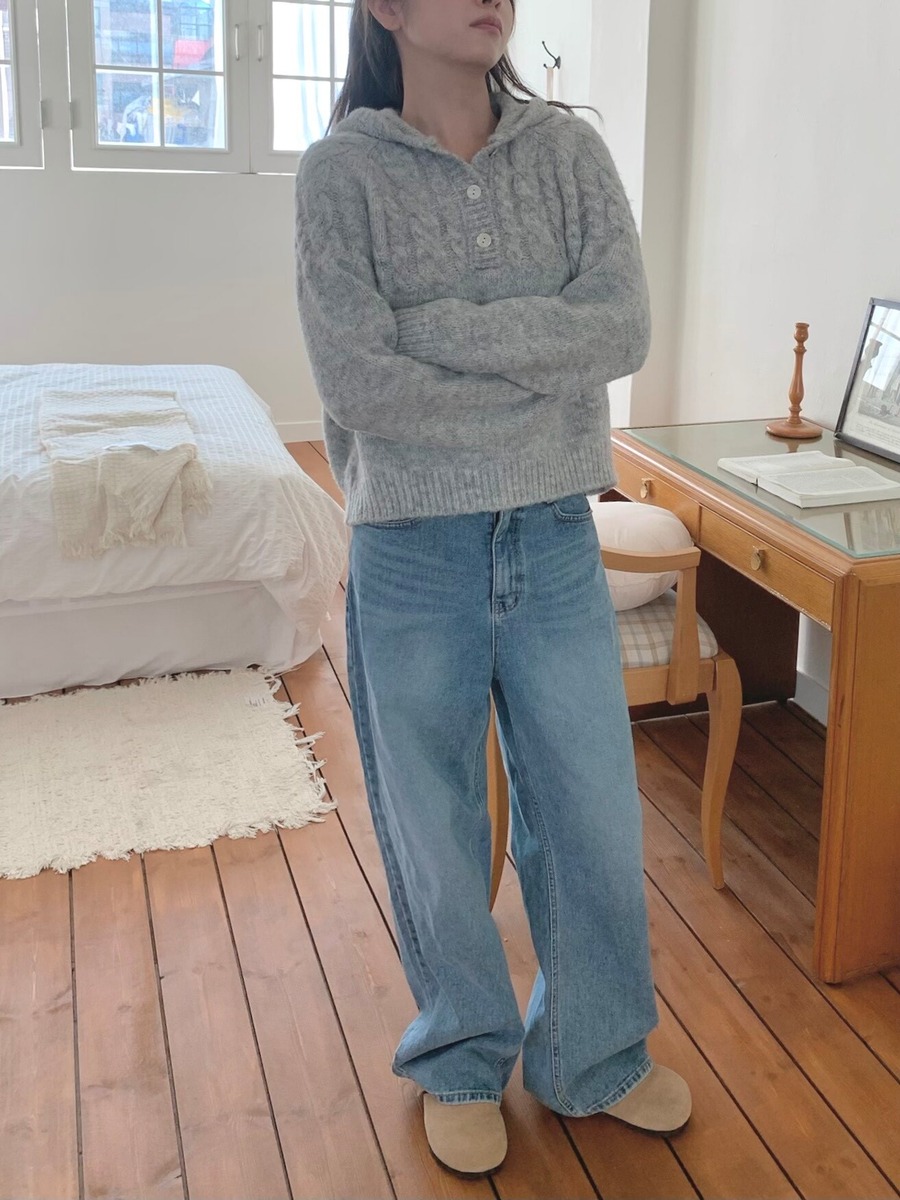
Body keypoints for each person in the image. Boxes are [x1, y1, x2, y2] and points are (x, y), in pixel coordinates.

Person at [293, 0, 692, 1178]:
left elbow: (620, 331)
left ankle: (593, 1053)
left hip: (556, 533)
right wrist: (533, 368)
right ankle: (462, 1057)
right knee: (432, 827)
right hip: (410, 546)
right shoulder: (341, 173)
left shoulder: (569, 150)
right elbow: (359, 382)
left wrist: (440, 330)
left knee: (592, 812)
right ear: (386, 7)